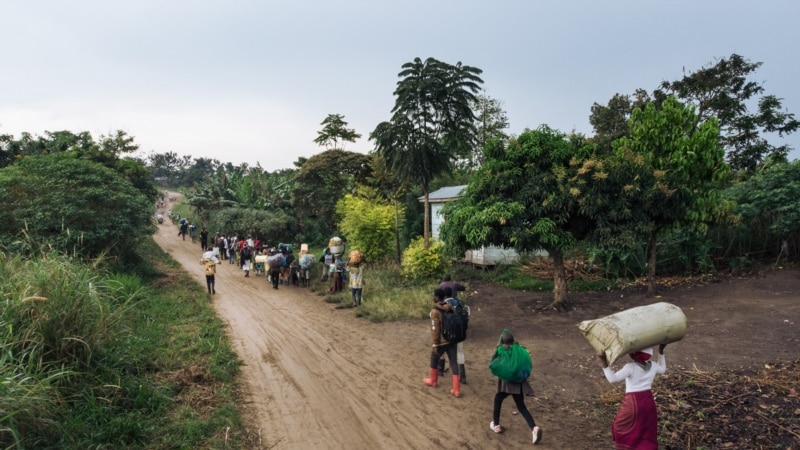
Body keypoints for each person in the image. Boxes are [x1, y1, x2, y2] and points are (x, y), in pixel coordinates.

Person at [597, 344, 667, 449]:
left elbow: (612, 379)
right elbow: (663, 370)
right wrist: (661, 351)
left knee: (620, 427)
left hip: (633, 402)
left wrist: (603, 361)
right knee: (645, 430)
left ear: (634, 355)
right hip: (648, 402)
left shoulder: (630, 368)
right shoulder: (653, 365)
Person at [489, 330, 543, 444]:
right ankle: (534, 428)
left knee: (498, 399)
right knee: (521, 406)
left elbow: (494, 364)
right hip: (519, 383)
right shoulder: (520, 350)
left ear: (502, 342)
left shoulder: (501, 351)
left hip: (508, 384)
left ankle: (496, 424)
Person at [422, 288, 461, 398]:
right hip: (452, 339)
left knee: (434, 359)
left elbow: (435, 329)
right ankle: (456, 389)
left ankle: (433, 381)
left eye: (434, 295)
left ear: (438, 297)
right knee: (454, 363)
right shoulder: (450, 307)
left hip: (442, 341)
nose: (432, 297)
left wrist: (435, 344)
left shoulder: (435, 311)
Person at [438, 286, 470, 384]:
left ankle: (440, 369)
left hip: (447, 333)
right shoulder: (460, 304)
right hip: (459, 333)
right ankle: (463, 376)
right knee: (459, 352)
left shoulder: (443, 305)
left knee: (441, 350)